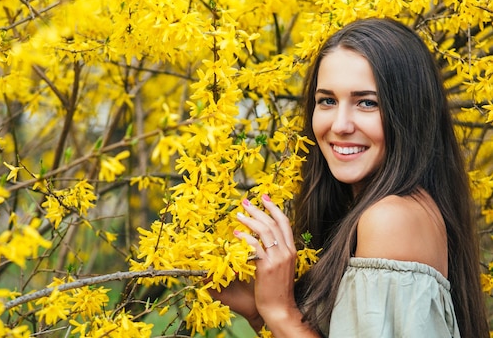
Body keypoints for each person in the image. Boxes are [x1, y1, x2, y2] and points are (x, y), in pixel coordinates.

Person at [209, 18, 489, 337]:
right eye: (327, 100)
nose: (340, 124)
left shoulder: (391, 219)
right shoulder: (382, 210)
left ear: (410, 112)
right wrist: (260, 309)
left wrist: (281, 310)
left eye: (367, 103)